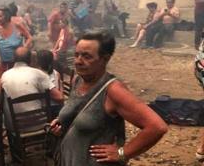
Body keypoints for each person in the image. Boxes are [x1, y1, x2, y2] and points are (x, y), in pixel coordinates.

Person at [50, 31, 167, 165]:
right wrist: (62, 124)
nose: (78, 61)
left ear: (105, 59)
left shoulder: (113, 90)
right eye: (77, 55)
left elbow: (157, 127)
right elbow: (81, 116)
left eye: (87, 56)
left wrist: (123, 153)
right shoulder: (77, 80)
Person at [1, 47, 63, 114]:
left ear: (13, 59)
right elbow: (59, 97)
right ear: (30, 59)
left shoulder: (4, 76)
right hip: (39, 121)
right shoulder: (38, 74)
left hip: (12, 123)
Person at [0, 7, 32, 75]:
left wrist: (24, 48)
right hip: (4, 64)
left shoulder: (17, 26)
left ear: (6, 16)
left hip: (17, 64)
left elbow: (29, 37)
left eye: (0, 16)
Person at [36, 49, 64, 118]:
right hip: (58, 107)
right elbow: (61, 93)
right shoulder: (56, 73)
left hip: (47, 110)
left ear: (38, 62)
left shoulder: (38, 75)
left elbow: (60, 97)